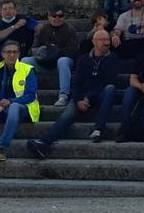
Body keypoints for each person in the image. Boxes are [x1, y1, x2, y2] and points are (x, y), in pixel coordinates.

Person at [26, 30, 120, 158]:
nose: (106, 43)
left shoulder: (113, 59)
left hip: (100, 95)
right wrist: (79, 100)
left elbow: (108, 81)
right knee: (66, 115)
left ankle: (99, 129)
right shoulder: (83, 59)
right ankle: (44, 143)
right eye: (102, 40)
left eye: (107, 40)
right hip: (82, 97)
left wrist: (88, 97)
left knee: (110, 88)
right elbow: (75, 83)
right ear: (94, 42)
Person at [21, 7, 79, 107]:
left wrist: (55, 51)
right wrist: (41, 51)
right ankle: (25, 93)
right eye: (54, 16)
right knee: (25, 61)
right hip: (44, 62)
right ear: (48, 17)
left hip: (60, 65)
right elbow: (33, 48)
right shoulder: (43, 29)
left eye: (60, 16)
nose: (57, 18)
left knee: (63, 61)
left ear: (64, 17)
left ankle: (64, 95)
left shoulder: (70, 30)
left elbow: (73, 51)